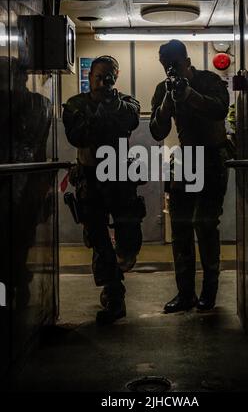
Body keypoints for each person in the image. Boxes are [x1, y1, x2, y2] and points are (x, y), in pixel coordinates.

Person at [63, 55, 144, 325]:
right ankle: (114, 292)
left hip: (120, 178)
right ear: (89, 77)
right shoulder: (75, 105)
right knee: (97, 239)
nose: (102, 82)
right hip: (91, 178)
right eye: (98, 77)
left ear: (115, 77)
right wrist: (99, 112)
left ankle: (115, 279)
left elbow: (131, 120)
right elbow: (77, 136)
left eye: (107, 77)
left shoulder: (127, 102)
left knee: (129, 238)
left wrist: (113, 102)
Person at [150, 40, 229, 313]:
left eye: (173, 64)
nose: (169, 70)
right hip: (186, 158)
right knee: (181, 227)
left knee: (205, 224)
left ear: (186, 60)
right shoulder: (165, 89)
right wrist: (166, 104)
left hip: (212, 156)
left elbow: (219, 109)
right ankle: (185, 294)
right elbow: (157, 132)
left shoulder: (209, 80)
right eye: (164, 65)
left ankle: (209, 292)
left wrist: (189, 96)